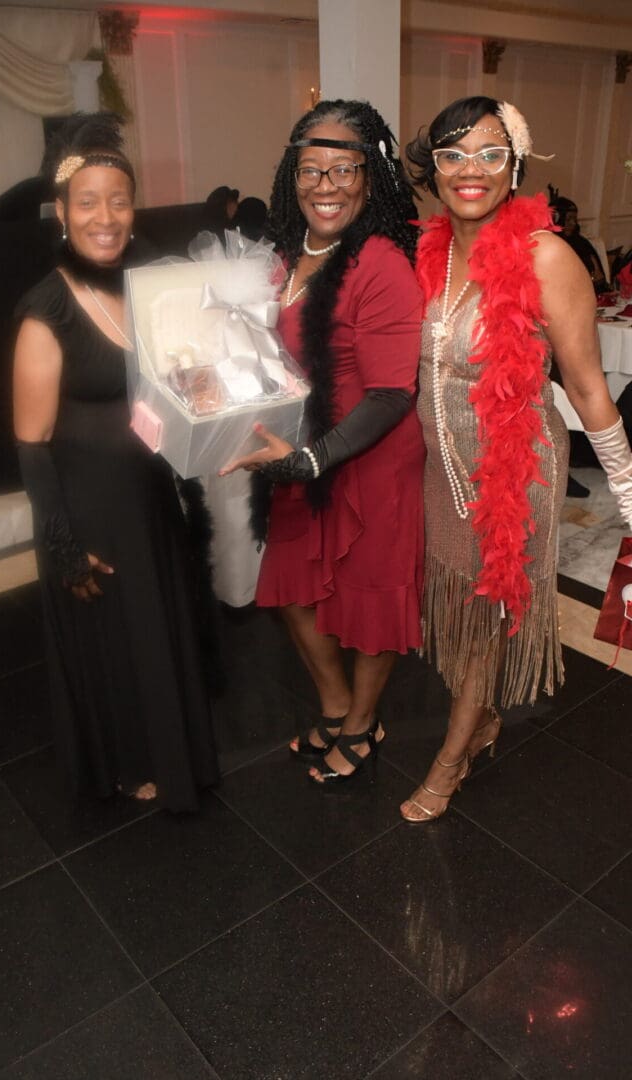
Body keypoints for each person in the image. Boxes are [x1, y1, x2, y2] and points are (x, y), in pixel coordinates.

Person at [402, 95, 632, 821]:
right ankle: (482, 721)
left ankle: (451, 757)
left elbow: (591, 390)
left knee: (485, 615)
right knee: (455, 605)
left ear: (515, 165)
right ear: (433, 168)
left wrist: (631, 496)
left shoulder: (546, 257)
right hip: (440, 467)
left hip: (513, 470)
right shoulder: (430, 250)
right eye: (453, 154)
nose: (471, 170)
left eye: (490, 153)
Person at [13, 113, 219, 811]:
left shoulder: (142, 289)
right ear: (63, 214)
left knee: (156, 628)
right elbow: (32, 440)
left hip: (147, 496)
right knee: (116, 641)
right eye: (89, 202)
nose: (106, 216)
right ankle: (131, 762)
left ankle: (171, 747)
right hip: (89, 508)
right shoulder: (47, 310)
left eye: (119, 200)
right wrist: (63, 544)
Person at [220, 99, 425, 787]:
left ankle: (363, 724)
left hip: (368, 457)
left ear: (371, 178)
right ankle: (337, 705)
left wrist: (313, 458)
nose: (327, 184)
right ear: (291, 175)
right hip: (298, 455)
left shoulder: (381, 262)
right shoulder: (281, 256)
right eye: (312, 169)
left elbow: (394, 392)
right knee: (293, 590)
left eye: (345, 168)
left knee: (368, 601)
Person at [547, 186, 612, 294]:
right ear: (556, 220)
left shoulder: (581, 243)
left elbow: (599, 280)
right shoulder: (549, 246)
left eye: (574, 219)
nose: (573, 223)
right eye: (568, 219)